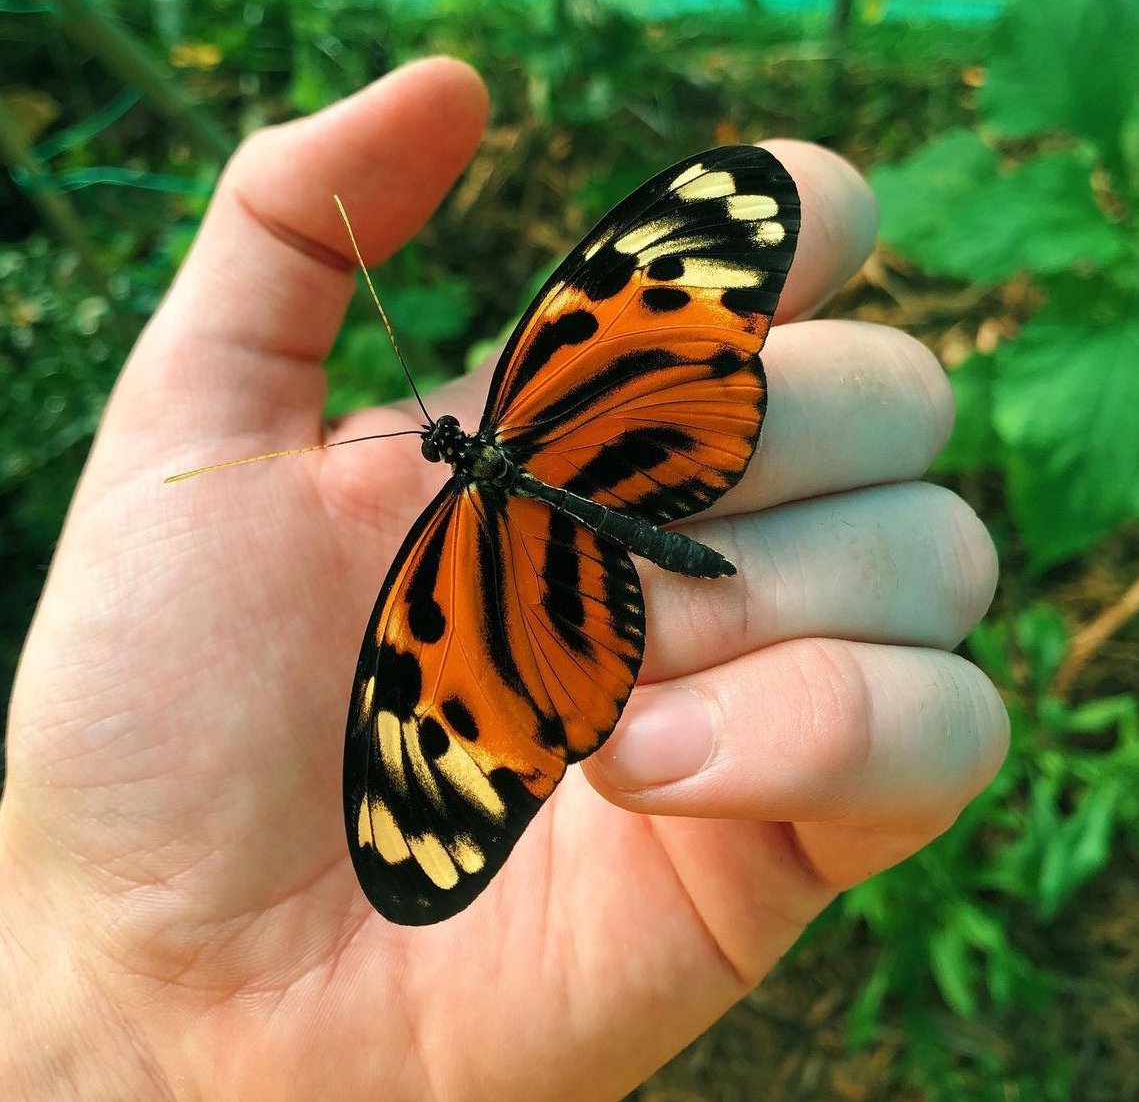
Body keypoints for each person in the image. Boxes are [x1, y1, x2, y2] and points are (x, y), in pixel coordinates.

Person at [0, 57, 1007, 1098]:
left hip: (552, 573)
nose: (440, 443)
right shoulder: (514, 414)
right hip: (637, 472)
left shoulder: (434, 565)